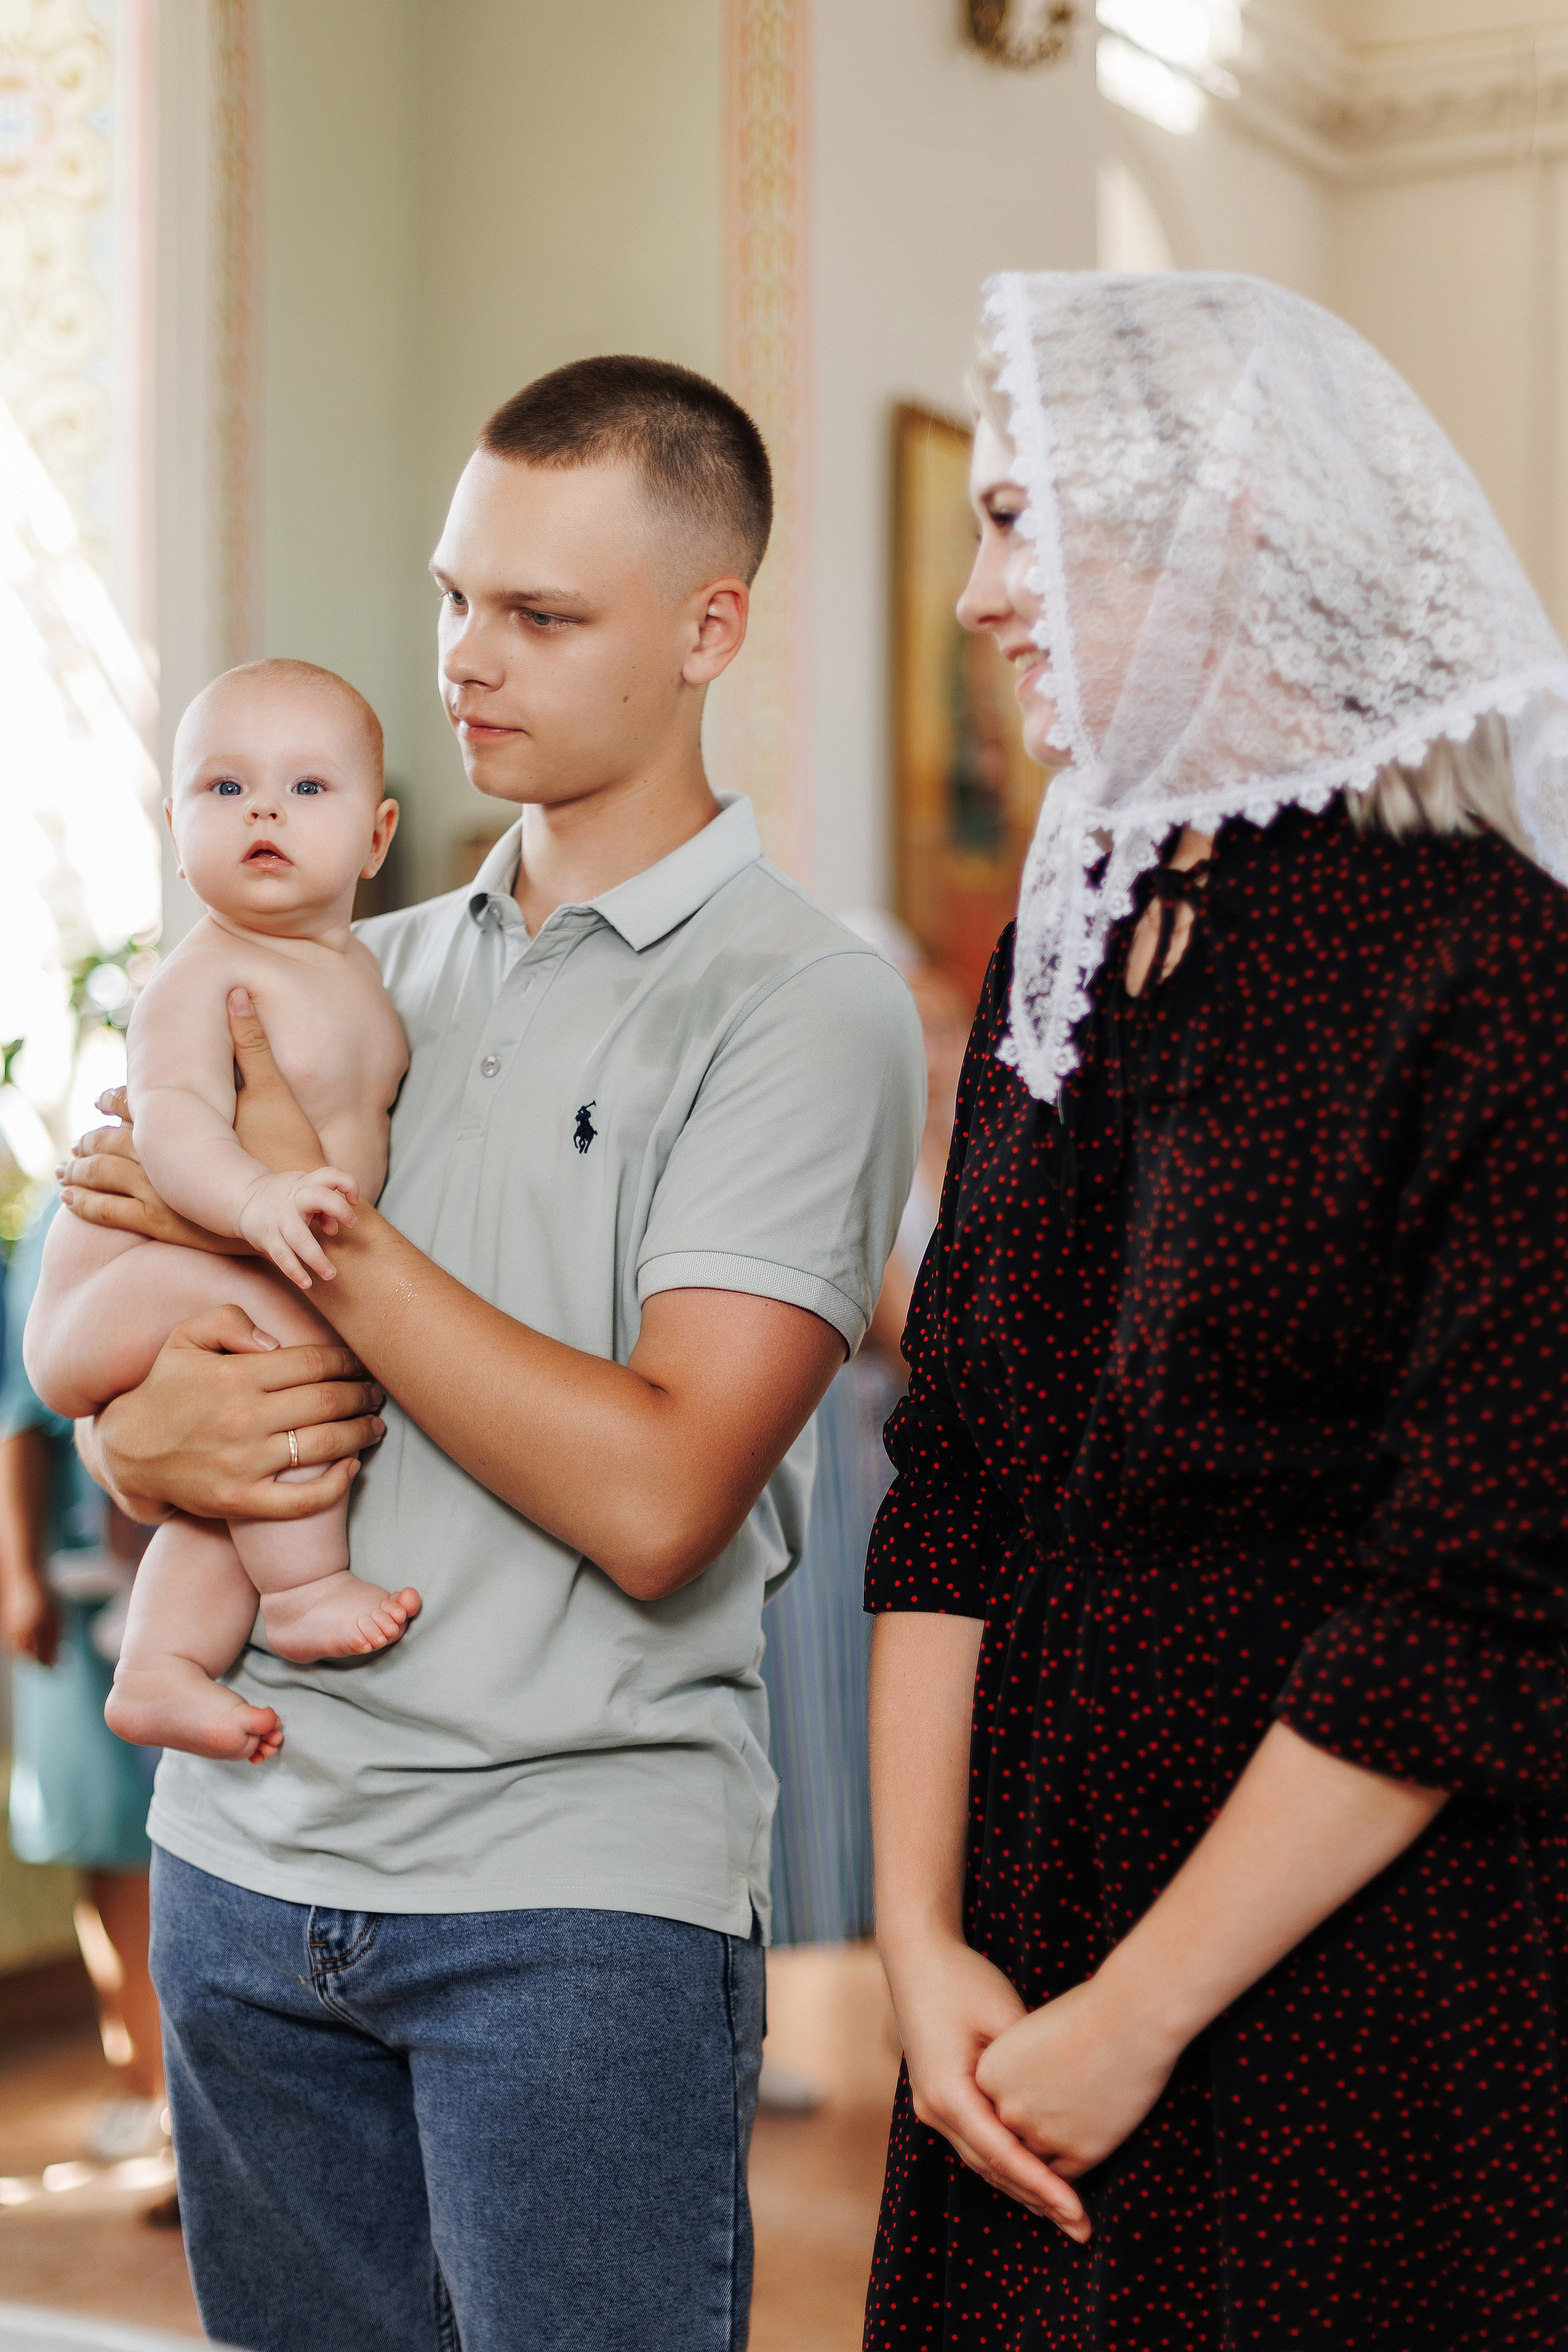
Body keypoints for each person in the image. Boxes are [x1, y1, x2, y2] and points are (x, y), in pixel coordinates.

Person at [55, 355, 925, 2352]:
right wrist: (145, 1444)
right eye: (456, 597)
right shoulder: (348, 970)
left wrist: (314, 1232)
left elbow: (655, 1493)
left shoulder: (803, 1009)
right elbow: (104, 1337)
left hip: (573, 1908)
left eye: (540, 615)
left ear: (710, 629)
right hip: (245, 1865)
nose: (467, 659)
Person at [864, 271, 1568, 2350]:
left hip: (1342, 1967)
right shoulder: (1063, 950)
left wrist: (1144, 2017)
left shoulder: (1494, 977)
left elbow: (1480, 1594)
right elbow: (956, 1473)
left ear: (1227, 532)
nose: (985, 599)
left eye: (1021, 524)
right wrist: (918, 1946)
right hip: (1013, 1931)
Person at [29, 662, 412, 1763]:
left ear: (376, 836)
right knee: (288, 1344)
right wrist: (257, 1198)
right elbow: (177, 1124)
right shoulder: (203, 979)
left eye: (306, 788)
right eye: (224, 787)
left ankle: (160, 1666)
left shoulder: (358, 975)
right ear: (174, 825)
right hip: (110, 1287)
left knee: (230, 1466)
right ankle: (302, 1592)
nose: (263, 812)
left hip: (207, 1271)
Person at [0, 1195, 168, 2174]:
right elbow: (22, 1412)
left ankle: (187, 2105)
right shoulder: (74, 1208)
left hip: (192, 1573)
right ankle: (139, 2082)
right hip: (79, 1584)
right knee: (102, 1837)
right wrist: (21, 1573)